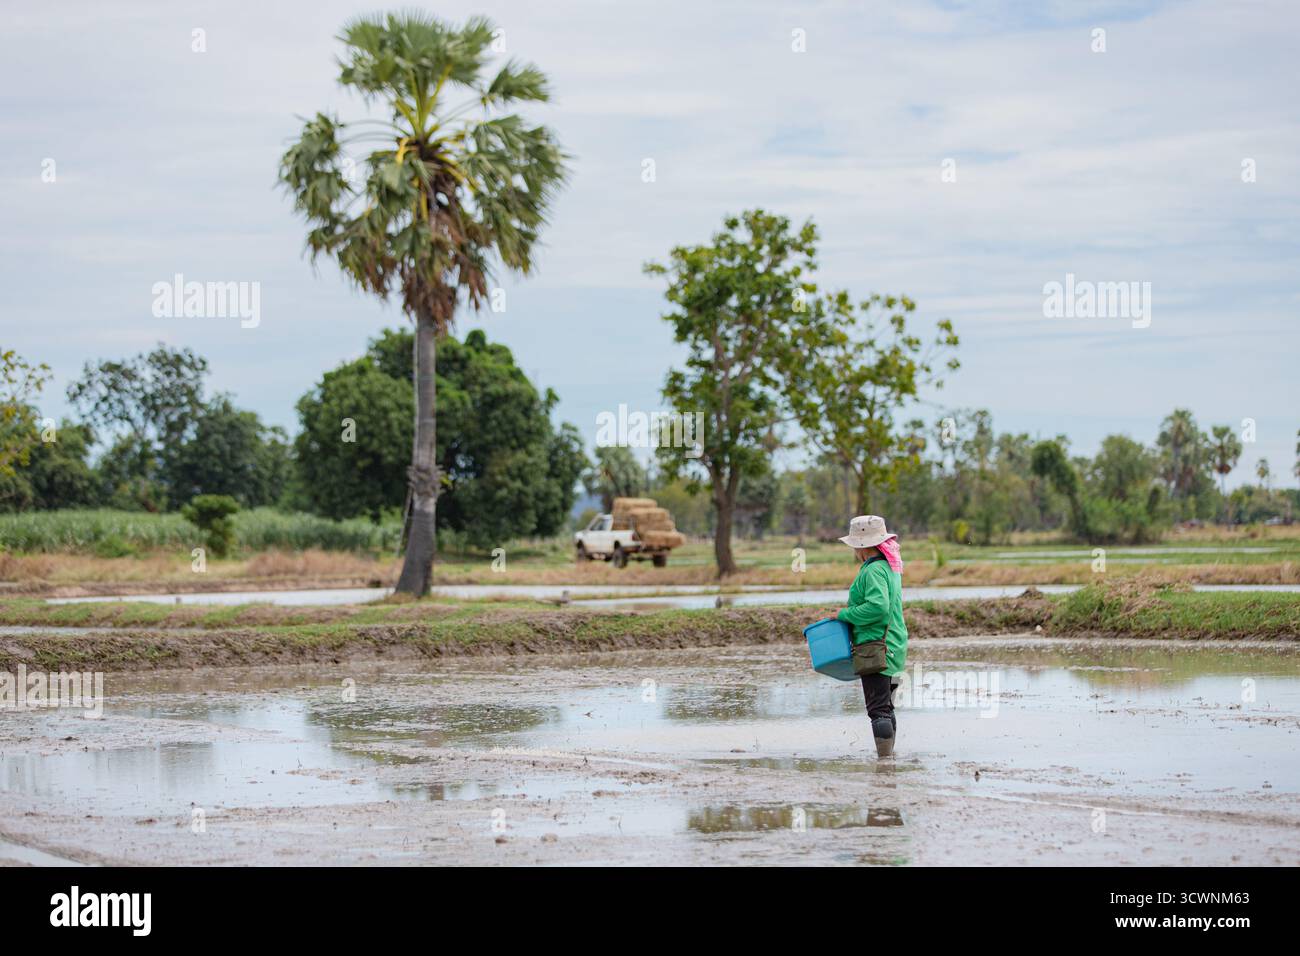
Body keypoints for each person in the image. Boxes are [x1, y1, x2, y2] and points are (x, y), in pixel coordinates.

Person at [835, 515, 908, 757]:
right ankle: (890, 758)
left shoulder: (873, 571)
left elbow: (878, 607)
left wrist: (844, 614)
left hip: (876, 648)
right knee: (887, 707)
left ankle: (885, 764)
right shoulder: (889, 567)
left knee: (878, 710)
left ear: (862, 547)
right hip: (894, 645)